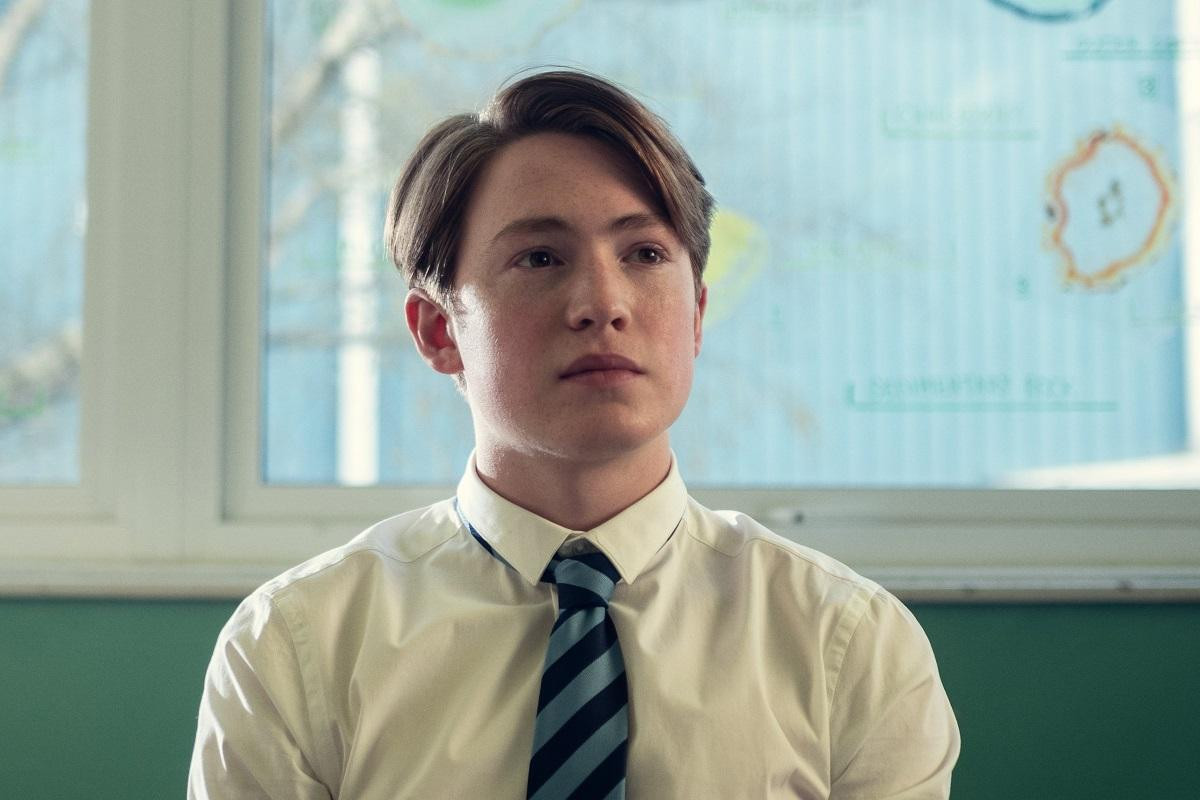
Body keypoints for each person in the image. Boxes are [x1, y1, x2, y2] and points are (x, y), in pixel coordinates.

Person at [188, 69, 959, 799]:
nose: (603, 303)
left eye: (644, 254)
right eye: (540, 258)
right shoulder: (296, 648)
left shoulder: (846, 644)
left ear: (696, 313)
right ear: (437, 330)